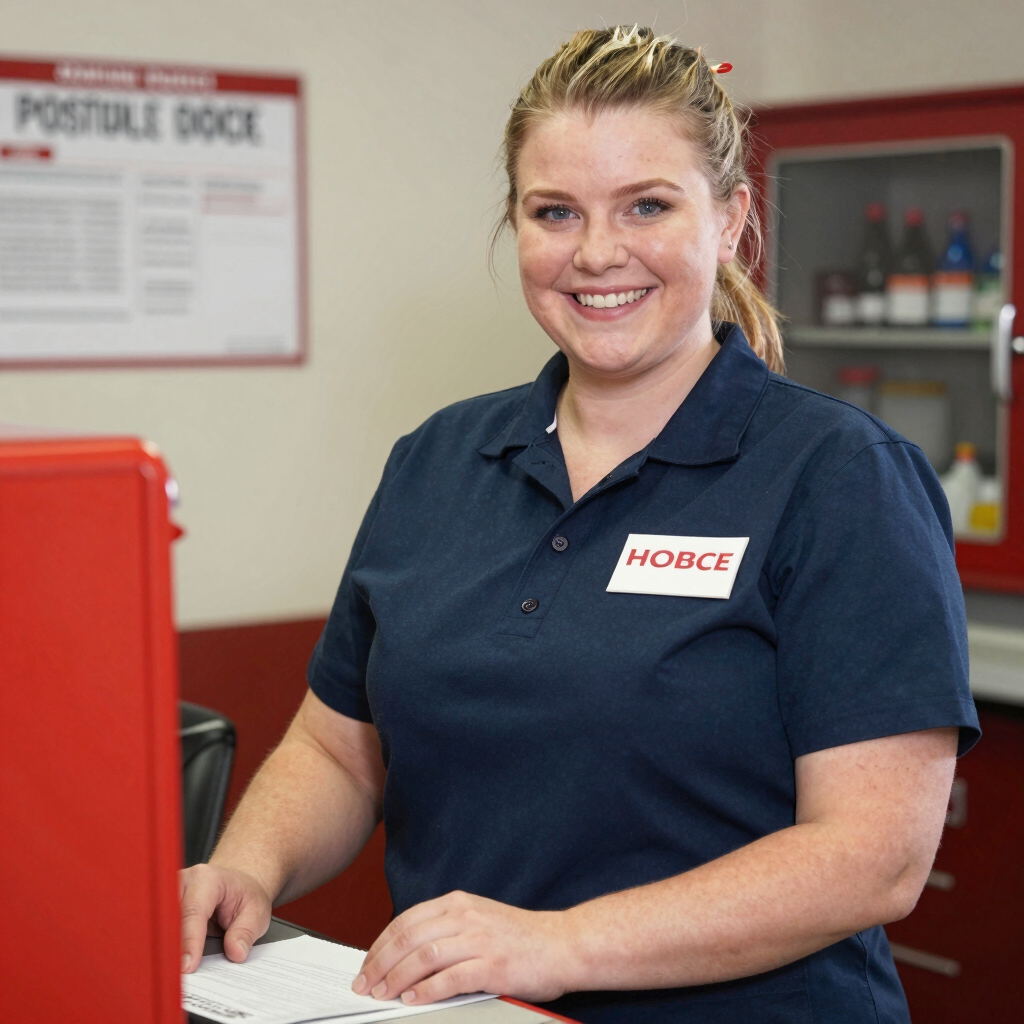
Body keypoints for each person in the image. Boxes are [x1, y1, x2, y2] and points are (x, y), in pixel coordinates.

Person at [180, 27, 979, 1024]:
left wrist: (559, 942)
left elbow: (873, 855)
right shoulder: (438, 460)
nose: (597, 253)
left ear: (730, 218)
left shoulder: (840, 477)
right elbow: (340, 749)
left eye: (647, 205)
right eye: (554, 211)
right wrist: (245, 867)